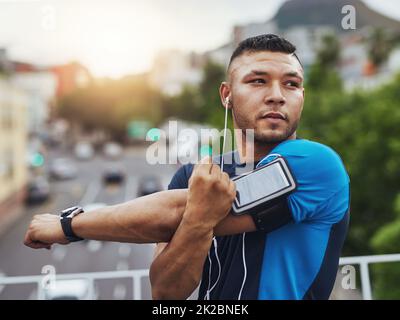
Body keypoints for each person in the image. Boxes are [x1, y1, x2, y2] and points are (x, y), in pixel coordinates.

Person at [24, 34, 350, 300]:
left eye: (291, 84)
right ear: (227, 95)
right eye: (258, 81)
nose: (277, 95)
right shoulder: (190, 176)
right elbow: (167, 293)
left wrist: (69, 225)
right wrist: (197, 221)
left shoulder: (317, 166)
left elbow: (172, 211)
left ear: (302, 96)